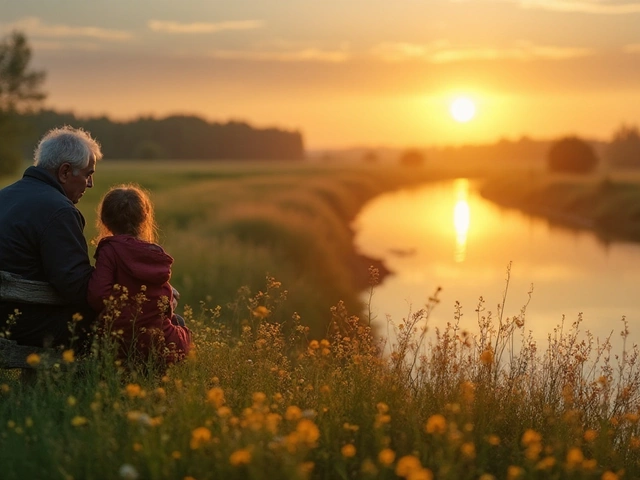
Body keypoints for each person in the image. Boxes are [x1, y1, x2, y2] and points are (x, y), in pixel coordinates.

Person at [0, 126, 102, 352]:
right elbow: (77, 288)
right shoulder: (59, 211)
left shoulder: (4, 195)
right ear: (65, 172)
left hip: (9, 314)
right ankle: (100, 385)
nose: (90, 184)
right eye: (88, 174)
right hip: (22, 322)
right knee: (138, 323)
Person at [87, 184, 192, 367]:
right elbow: (161, 302)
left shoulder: (110, 250)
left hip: (121, 342)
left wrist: (124, 309)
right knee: (179, 322)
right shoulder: (155, 252)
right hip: (158, 342)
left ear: (104, 219)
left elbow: (98, 295)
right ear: (145, 218)